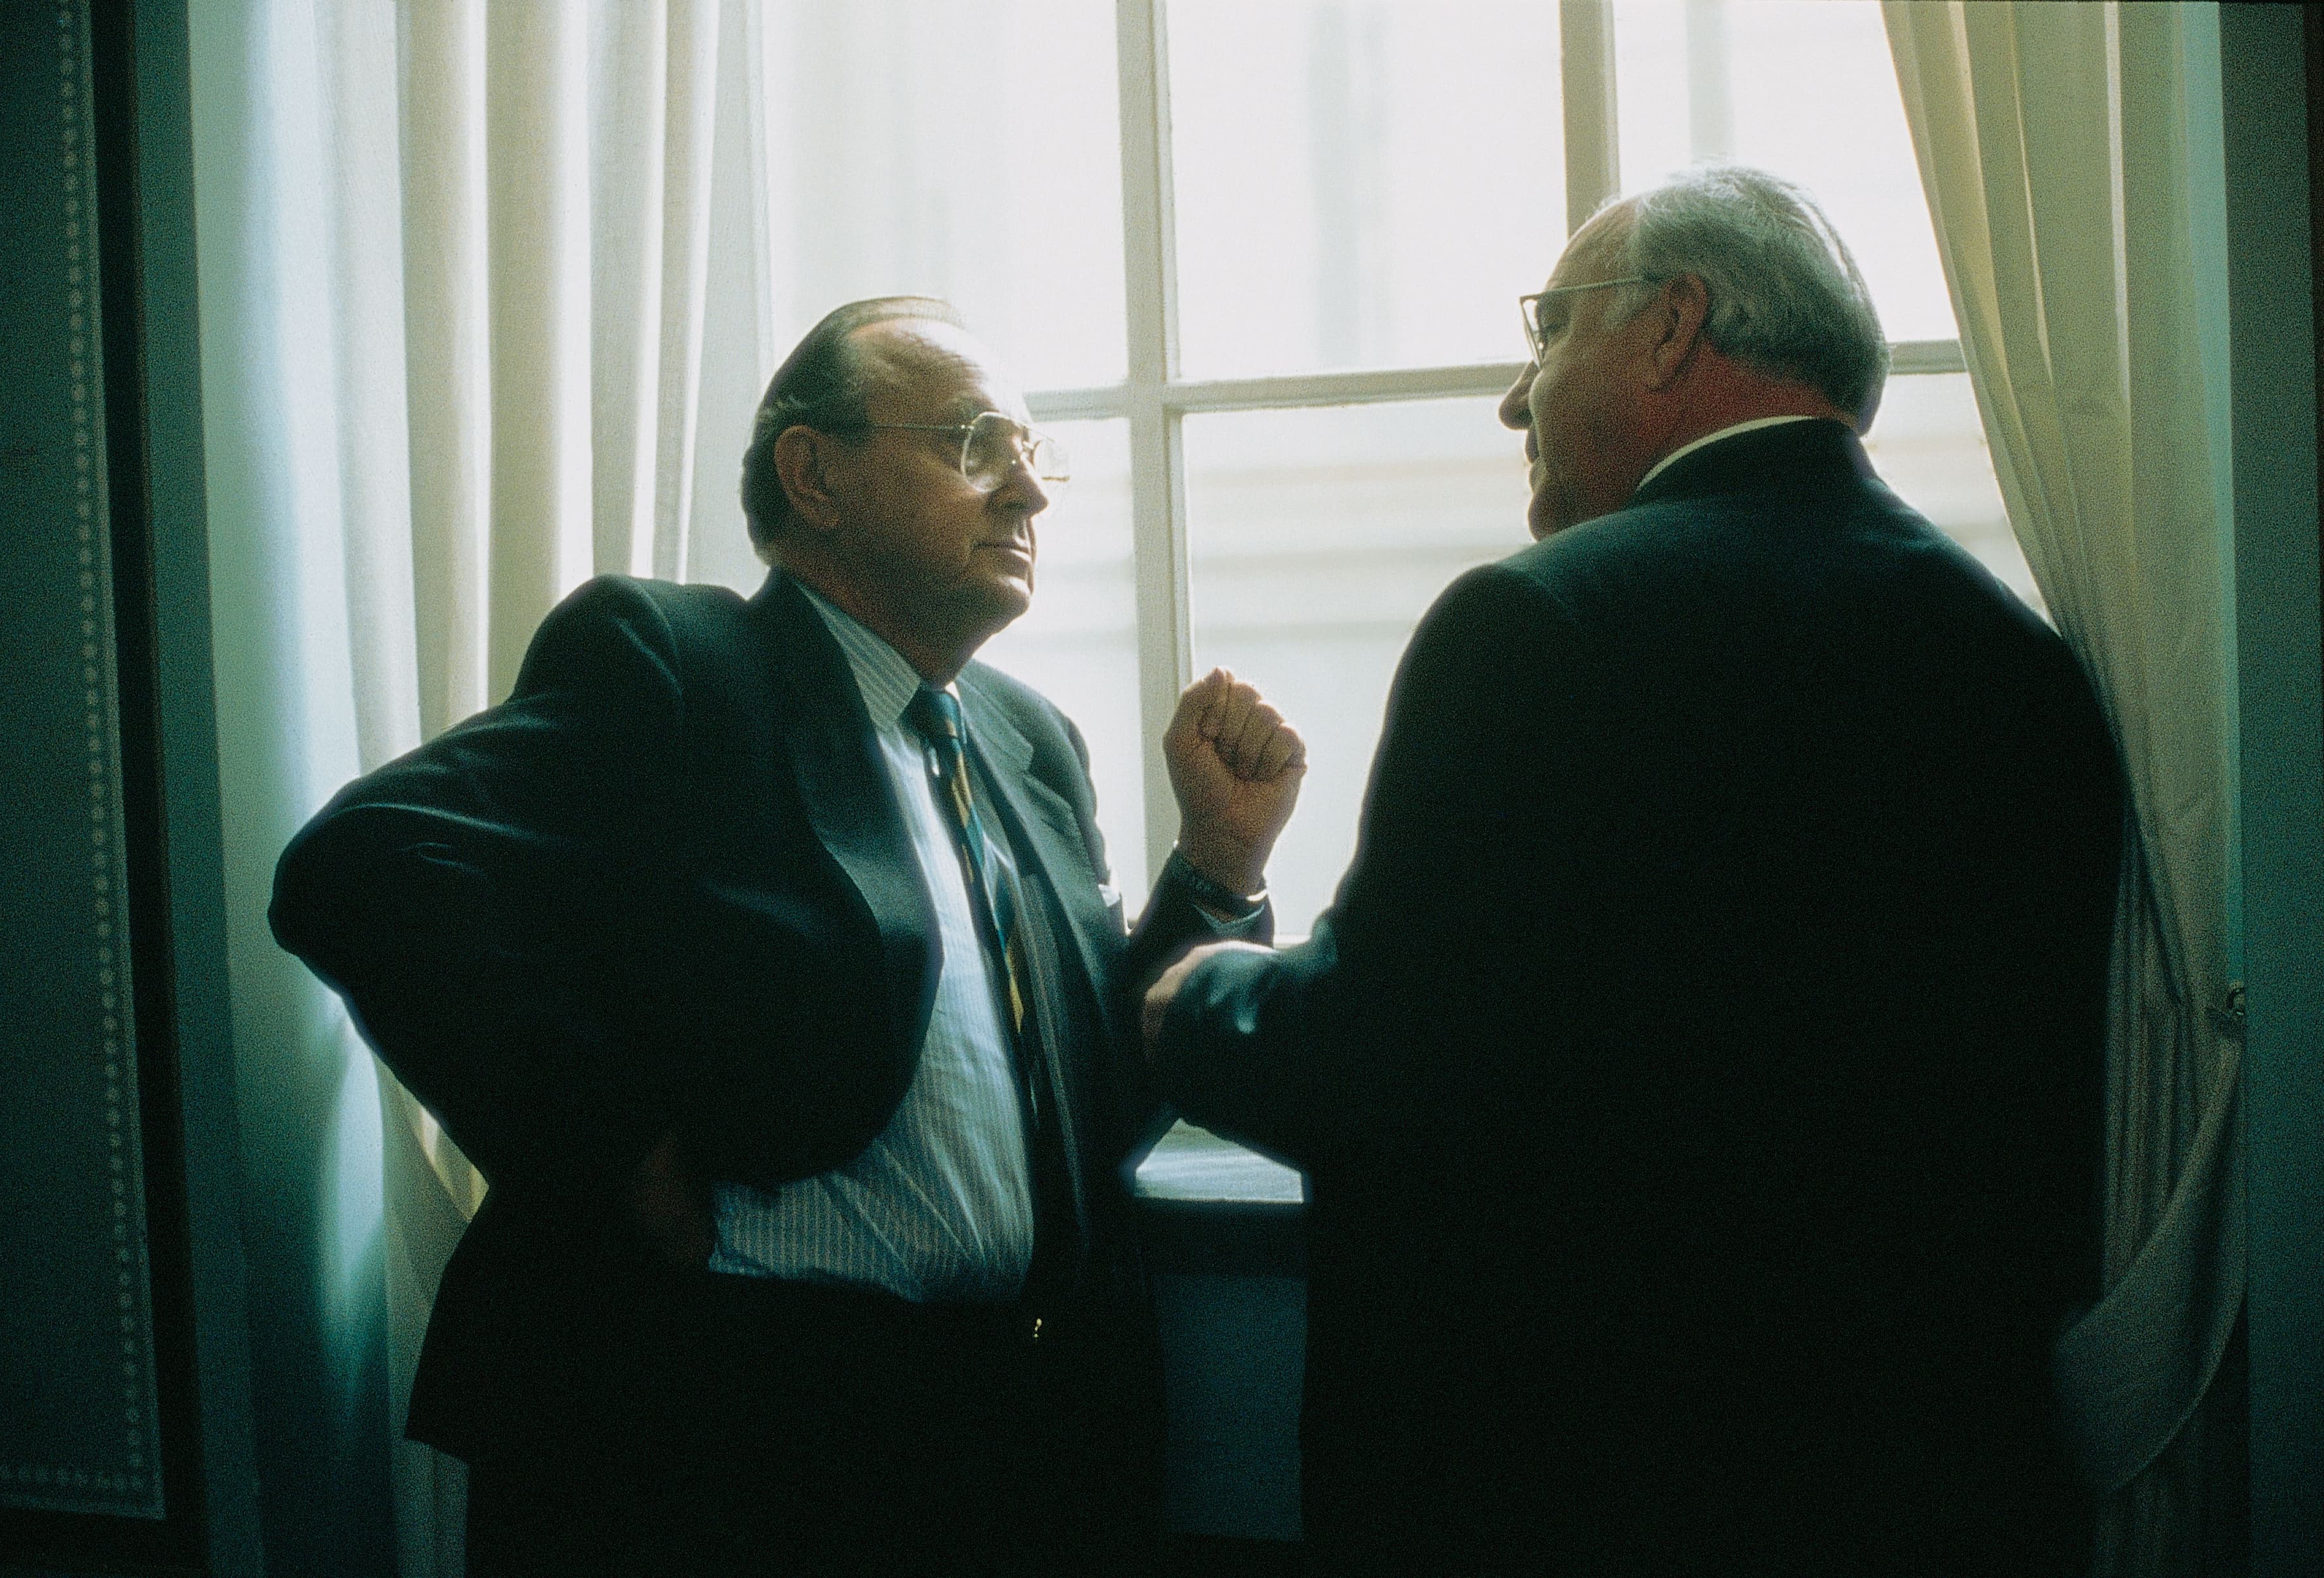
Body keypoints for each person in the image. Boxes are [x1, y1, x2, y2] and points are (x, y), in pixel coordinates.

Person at [1142, 168, 2123, 1574]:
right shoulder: (2019, 657)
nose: (1515, 399)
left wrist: (1201, 991)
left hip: (1583, 1480)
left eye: (1548, 330)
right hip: (1926, 1480)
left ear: (1672, 327)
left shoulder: (1540, 622)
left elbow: (1386, 1062)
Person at [271, 296, 1305, 1575]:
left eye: (1036, 453)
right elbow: (370, 863)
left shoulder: (1029, 738)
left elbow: (1090, 1103)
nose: (1030, 489)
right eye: (976, 442)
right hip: (722, 1428)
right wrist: (616, 1143)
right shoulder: (676, 661)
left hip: (1006, 1436)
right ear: (814, 475)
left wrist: (1218, 869)